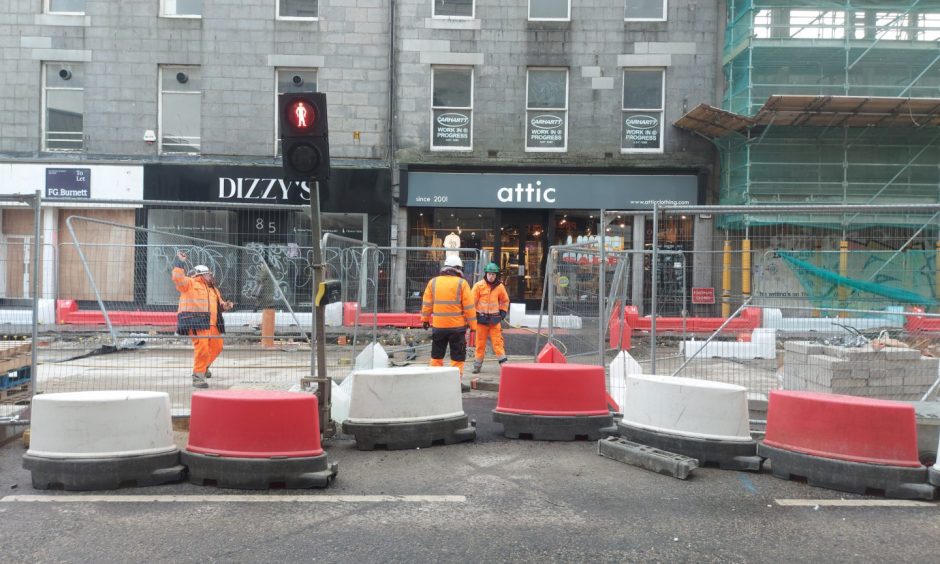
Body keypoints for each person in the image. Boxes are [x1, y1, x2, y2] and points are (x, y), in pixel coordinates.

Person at [173, 251, 233, 388]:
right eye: (207, 274)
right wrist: (179, 262)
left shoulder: (213, 289)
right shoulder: (189, 284)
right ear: (200, 275)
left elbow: (218, 305)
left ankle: (204, 367)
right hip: (197, 322)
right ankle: (198, 377)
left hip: (213, 324)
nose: (210, 276)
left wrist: (225, 306)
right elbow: (178, 278)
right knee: (202, 349)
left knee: (217, 347)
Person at [420, 255, 477, 376]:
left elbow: (427, 304)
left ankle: (436, 381)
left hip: (439, 327)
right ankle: (456, 383)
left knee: (436, 356)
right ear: (457, 268)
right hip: (457, 328)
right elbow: (469, 308)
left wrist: (425, 320)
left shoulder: (433, 282)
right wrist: (473, 326)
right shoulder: (462, 283)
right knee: (457, 358)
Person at [471, 262, 510, 374]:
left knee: (498, 342)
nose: (491, 276)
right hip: (481, 320)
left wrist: (503, 312)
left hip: (494, 320)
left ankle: (504, 365)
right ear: (486, 273)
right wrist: (472, 316)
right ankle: (477, 366)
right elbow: (471, 302)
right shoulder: (478, 286)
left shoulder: (500, 287)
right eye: (489, 274)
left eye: (493, 274)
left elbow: (505, 300)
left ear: (496, 275)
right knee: (480, 343)